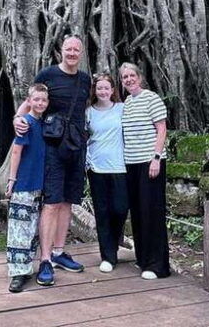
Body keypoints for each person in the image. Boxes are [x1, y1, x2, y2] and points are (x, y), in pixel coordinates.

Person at [13, 35, 91, 286]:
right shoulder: (47, 74)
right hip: (53, 149)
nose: (72, 53)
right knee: (52, 203)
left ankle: (58, 252)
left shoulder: (85, 79)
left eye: (76, 50)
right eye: (68, 49)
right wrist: (17, 119)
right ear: (61, 51)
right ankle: (45, 259)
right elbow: (30, 101)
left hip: (76, 148)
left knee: (68, 201)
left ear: (81, 53)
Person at [119, 61, 170, 279]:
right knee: (138, 211)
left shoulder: (152, 98)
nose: (129, 79)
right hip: (131, 164)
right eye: (125, 77)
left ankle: (158, 266)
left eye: (132, 75)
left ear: (139, 77)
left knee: (152, 211)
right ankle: (143, 258)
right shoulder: (127, 103)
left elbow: (162, 129)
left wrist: (156, 158)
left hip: (150, 162)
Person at [5, 83, 49, 293]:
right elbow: (16, 151)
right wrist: (12, 180)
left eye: (43, 100)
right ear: (29, 101)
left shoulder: (44, 124)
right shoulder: (25, 123)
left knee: (32, 229)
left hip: (39, 184)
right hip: (23, 183)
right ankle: (17, 273)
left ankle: (27, 267)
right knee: (19, 229)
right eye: (36, 99)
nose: (40, 103)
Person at [86, 72, 128, 273]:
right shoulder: (88, 112)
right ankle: (108, 256)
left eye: (106, 88)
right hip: (96, 167)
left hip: (120, 166)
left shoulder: (122, 108)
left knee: (120, 208)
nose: (103, 91)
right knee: (102, 212)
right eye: (99, 88)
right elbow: (83, 138)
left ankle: (115, 242)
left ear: (112, 90)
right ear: (95, 90)